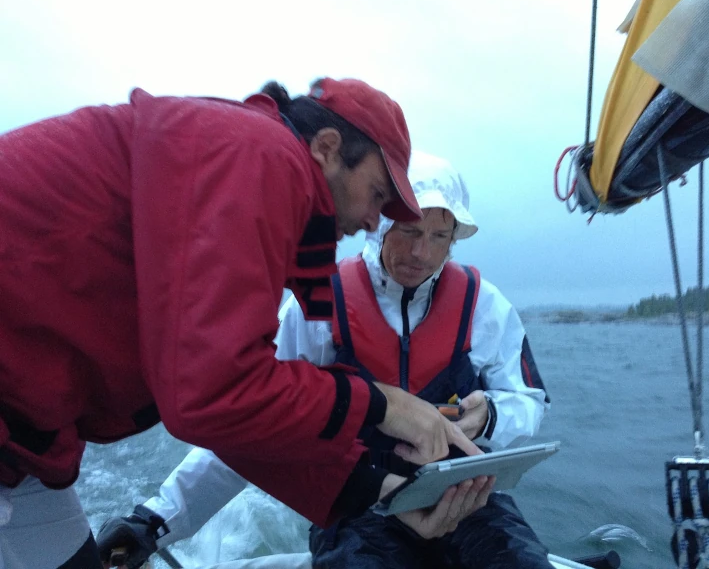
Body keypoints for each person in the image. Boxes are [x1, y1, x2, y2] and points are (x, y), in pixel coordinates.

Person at [0, 79, 481, 569]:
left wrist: (379, 492)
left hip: (23, 445)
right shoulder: (259, 153)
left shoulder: (237, 160)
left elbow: (236, 415)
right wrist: (384, 404)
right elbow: (215, 393)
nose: (372, 222)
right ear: (328, 149)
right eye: (377, 195)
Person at [96, 152, 553, 569]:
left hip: (467, 499)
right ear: (381, 226)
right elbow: (249, 424)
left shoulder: (486, 307)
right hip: (359, 507)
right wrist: (155, 520)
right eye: (410, 231)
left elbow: (530, 402)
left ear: (456, 239)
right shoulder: (317, 306)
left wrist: (491, 415)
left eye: (439, 237)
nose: (421, 252)